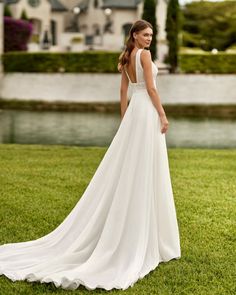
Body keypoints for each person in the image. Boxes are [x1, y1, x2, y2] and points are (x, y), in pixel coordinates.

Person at [0, 19, 181, 291]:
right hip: (146, 112)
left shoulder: (126, 57)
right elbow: (152, 89)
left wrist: (125, 119)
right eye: (145, 34)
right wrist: (163, 115)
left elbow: (123, 91)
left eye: (151, 35)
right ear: (134, 35)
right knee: (144, 166)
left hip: (135, 113)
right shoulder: (144, 55)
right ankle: (146, 234)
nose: (149, 39)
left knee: (134, 165)